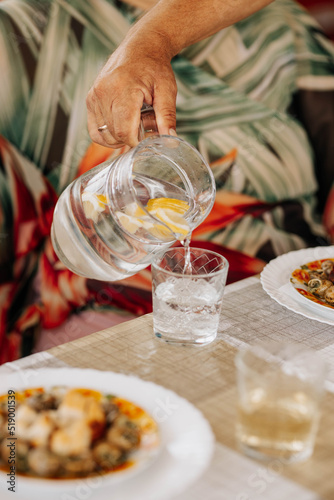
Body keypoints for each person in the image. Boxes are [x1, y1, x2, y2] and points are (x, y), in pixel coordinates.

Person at [0, 0, 333, 363]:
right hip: (114, 311)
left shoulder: (280, 24)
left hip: (292, 301)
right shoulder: (26, 31)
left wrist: (151, 41)